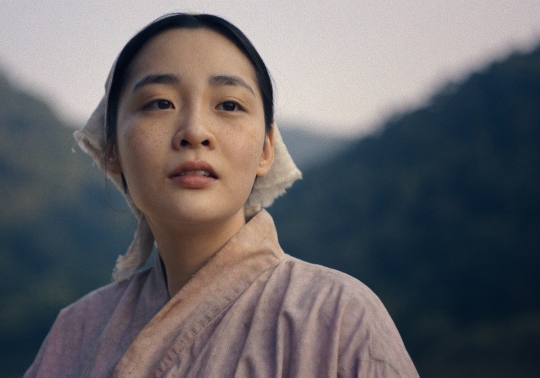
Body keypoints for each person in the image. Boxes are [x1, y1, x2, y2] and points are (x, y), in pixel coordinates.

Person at [24, 13, 418, 377]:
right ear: (111, 150)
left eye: (229, 104)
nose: (194, 131)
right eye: (160, 102)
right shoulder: (76, 331)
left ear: (267, 150)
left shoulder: (336, 317)